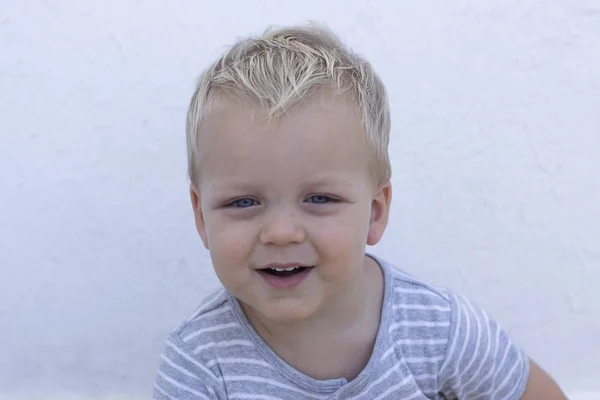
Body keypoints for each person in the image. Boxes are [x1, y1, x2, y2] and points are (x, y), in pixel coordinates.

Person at [153, 23, 566, 399]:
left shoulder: (441, 330)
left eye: (319, 199)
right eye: (243, 202)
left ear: (374, 212)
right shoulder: (199, 361)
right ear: (202, 217)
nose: (280, 232)